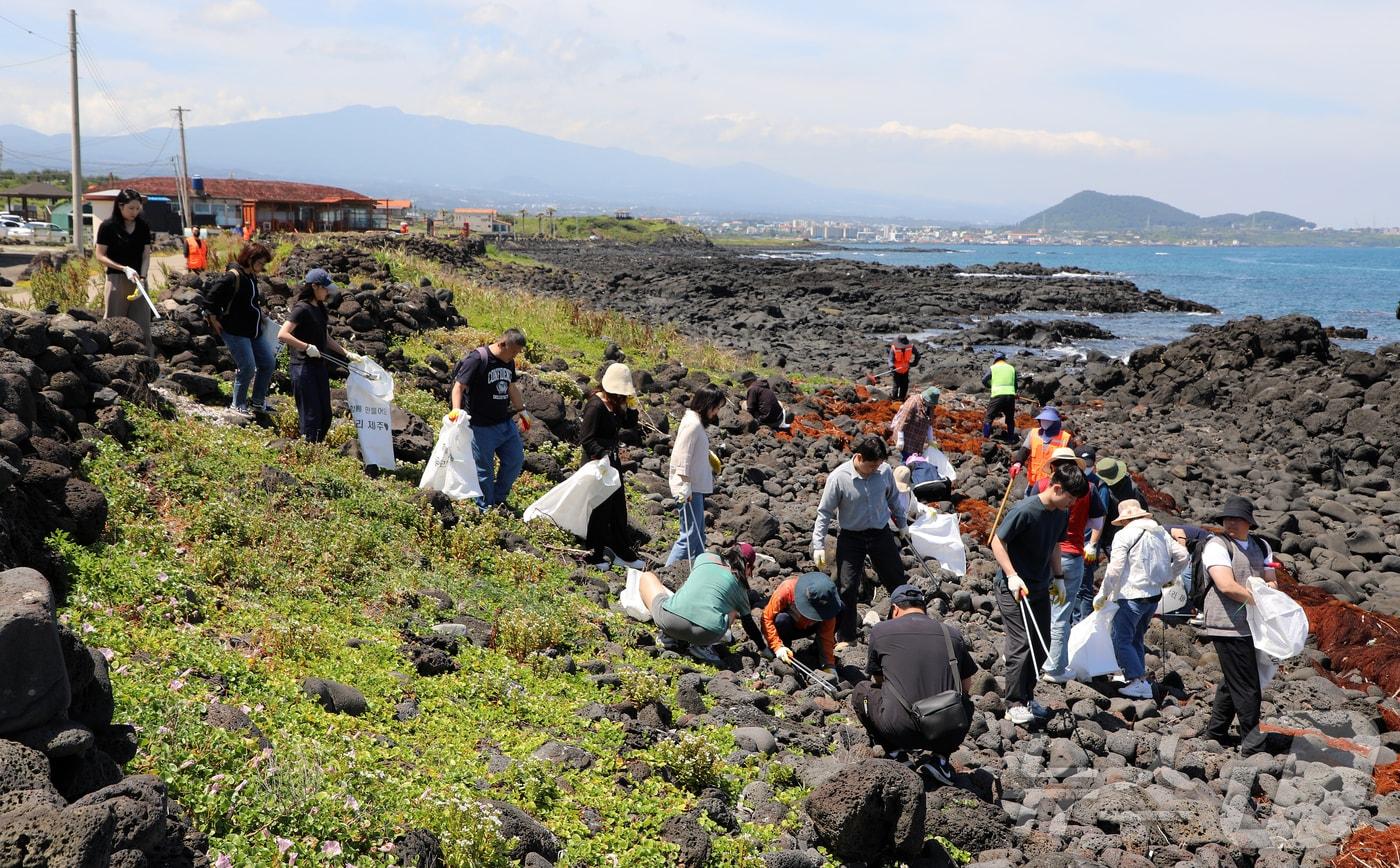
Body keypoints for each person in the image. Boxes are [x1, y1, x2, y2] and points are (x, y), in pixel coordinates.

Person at [990, 462, 1088, 724]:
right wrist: (1011, 575)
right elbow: (997, 541)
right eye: (1070, 498)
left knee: (1041, 643)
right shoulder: (1026, 510)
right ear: (1057, 488)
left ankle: (1027, 696)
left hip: (1040, 585)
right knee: (1021, 644)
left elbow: (1056, 544)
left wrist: (1058, 578)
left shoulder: (1059, 512)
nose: (1072, 504)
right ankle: (1013, 703)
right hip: (1013, 586)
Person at [851, 584, 978, 786]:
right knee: (966, 703)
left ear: (895, 609)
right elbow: (967, 685)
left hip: (899, 728)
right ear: (923, 607)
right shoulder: (951, 634)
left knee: (861, 691)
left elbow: (878, 680)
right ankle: (941, 760)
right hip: (945, 729)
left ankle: (895, 752)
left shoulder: (881, 631)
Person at [812, 434, 909, 646]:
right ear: (858, 457)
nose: (876, 468)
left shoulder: (884, 472)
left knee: (896, 579)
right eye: (872, 465)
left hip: (880, 533)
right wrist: (818, 545)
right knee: (847, 587)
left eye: (879, 464)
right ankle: (847, 636)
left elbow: (893, 499)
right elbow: (825, 512)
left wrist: (902, 525)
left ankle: (903, 626)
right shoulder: (839, 478)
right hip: (851, 537)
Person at [1199, 496, 1278, 756]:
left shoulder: (1261, 545)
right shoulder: (1216, 545)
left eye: (1237, 518)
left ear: (1249, 522)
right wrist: (1261, 601)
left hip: (1253, 624)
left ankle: (1216, 732)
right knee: (1247, 684)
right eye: (1227, 518)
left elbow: (1271, 579)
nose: (1230, 523)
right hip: (1226, 623)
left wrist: (1270, 593)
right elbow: (1226, 585)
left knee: (1234, 678)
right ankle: (1253, 746)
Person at [1093, 500, 1189, 699]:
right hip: (1153, 595)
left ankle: (1137, 681)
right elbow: (1183, 555)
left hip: (1130, 595)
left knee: (1122, 640)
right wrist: (1169, 576)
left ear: (1125, 519)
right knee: (1136, 637)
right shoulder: (1160, 532)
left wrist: (1103, 594)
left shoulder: (1123, 535)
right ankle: (1139, 678)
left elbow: (1115, 569)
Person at [1032, 448, 1105, 684]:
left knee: (1036, 606)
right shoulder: (1089, 489)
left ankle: (1032, 657)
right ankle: (1054, 666)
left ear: (1053, 466)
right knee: (1061, 614)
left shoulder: (1042, 484)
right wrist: (1091, 543)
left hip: (1042, 553)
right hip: (1071, 555)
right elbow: (1097, 520)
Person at [636, 547, 764, 665]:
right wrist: (764, 649)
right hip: (706, 635)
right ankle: (702, 647)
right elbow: (749, 624)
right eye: (751, 570)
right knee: (733, 609)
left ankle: (668, 636)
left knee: (647, 576)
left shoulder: (703, 558)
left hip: (670, 622)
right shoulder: (741, 589)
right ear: (747, 566)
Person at [450, 329, 533, 509]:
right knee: (484, 471)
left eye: (518, 353)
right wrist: (456, 411)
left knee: (515, 460)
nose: (515, 356)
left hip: (504, 423)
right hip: (480, 427)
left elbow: (511, 387)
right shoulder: (478, 359)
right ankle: (485, 508)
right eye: (513, 352)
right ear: (503, 344)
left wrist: (522, 411)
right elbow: (459, 387)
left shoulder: (508, 361)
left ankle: (498, 498)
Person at [277, 268, 358, 442]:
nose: (327, 291)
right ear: (314, 286)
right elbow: (283, 334)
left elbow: (325, 337)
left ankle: (315, 450)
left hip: (319, 367)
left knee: (325, 416)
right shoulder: (302, 308)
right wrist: (306, 347)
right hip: (302, 367)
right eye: (325, 288)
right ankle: (307, 451)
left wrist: (347, 353)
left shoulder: (320, 308)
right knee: (311, 416)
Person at [580, 363, 642, 570]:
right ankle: (594, 554)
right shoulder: (595, 405)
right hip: (597, 462)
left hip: (611, 461)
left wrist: (632, 405)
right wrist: (603, 454)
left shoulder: (614, 404)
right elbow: (586, 439)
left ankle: (620, 550)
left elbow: (629, 424)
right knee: (599, 508)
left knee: (617, 507)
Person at [207, 243, 278, 415]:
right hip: (235, 330)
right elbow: (210, 298)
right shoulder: (233, 277)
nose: (262, 268)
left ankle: (257, 402)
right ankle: (237, 404)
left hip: (253, 330)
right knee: (247, 366)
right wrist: (213, 318)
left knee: (268, 363)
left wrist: (260, 316)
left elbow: (250, 302)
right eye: (260, 263)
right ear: (250, 259)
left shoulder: (251, 275)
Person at [667, 386, 726, 567]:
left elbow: (691, 450)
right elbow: (681, 455)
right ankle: (664, 574)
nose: (716, 413)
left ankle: (700, 572)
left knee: (698, 535)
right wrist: (685, 485)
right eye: (715, 408)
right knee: (689, 536)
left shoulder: (694, 421)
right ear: (707, 405)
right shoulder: (693, 424)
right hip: (689, 488)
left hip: (694, 487)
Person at [94, 188, 154, 357]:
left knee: (142, 325)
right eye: (131, 208)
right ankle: (111, 361)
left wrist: (142, 277)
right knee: (114, 322)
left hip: (139, 281)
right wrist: (124, 268)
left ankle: (146, 364)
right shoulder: (108, 227)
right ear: (120, 206)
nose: (135, 212)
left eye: (137, 208)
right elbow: (100, 255)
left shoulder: (142, 226)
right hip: (117, 279)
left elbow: (145, 255)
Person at [761, 571, 843, 682]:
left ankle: (816, 649)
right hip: (789, 626)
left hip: (811, 629)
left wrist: (829, 666)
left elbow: (827, 635)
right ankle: (785, 647)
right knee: (781, 619)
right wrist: (777, 646)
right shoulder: (787, 589)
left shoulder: (828, 603)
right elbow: (767, 617)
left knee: (841, 610)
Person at [1010, 406, 1073, 494]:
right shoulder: (1033, 433)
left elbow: (1071, 463)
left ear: (1055, 422)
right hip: (1033, 483)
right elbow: (1024, 450)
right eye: (1042, 420)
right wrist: (1017, 463)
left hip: (1053, 486)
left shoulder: (1065, 438)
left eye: (1048, 420)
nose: (1044, 422)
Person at [889, 386, 940, 461]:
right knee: (905, 460)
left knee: (914, 460)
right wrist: (900, 439)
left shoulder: (930, 406)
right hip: (906, 438)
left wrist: (930, 440)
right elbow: (903, 420)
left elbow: (929, 423)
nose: (931, 405)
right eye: (930, 403)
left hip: (917, 441)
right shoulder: (913, 401)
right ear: (925, 398)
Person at [981, 353, 1017, 440]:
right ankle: (1011, 438)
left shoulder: (993, 368)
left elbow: (984, 380)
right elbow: (1015, 384)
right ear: (1004, 359)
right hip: (1010, 396)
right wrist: (1014, 392)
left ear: (995, 360)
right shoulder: (1011, 368)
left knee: (989, 418)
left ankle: (985, 438)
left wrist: (990, 385)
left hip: (997, 395)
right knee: (1010, 419)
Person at [887, 335, 921, 400]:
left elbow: (918, 355)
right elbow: (890, 359)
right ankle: (894, 399)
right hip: (896, 370)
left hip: (905, 369)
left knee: (904, 385)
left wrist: (913, 363)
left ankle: (901, 398)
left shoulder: (911, 347)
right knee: (896, 386)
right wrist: (891, 366)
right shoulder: (894, 348)